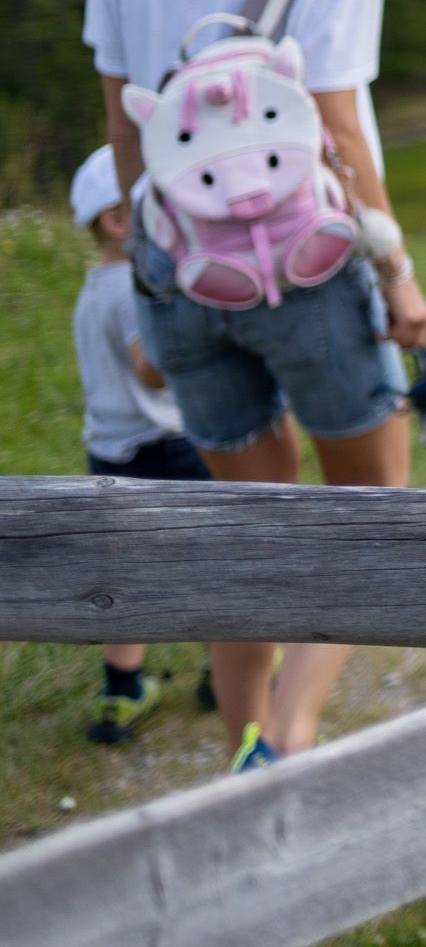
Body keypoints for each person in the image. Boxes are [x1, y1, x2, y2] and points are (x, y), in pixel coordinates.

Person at [85, 0, 426, 773]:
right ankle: (288, 736)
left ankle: (241, 741)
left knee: (246, 520)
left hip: (181, 269)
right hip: (304, 266)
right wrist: (397, 269)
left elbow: (126, 135)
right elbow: (337, 126)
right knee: (372, 506)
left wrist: (150, 289)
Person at [68, 145, 218, 743]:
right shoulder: (135, 288)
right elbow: (150, 370)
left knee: (125, 571)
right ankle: (224, 671)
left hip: (111, 451)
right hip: (167, 443)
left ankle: (122, 688)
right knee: (212, 558)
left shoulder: (93, 289)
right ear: (117, 220)